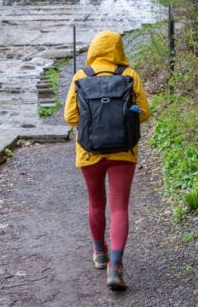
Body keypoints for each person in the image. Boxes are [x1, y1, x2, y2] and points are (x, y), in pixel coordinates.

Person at [63, 30, 150, 291]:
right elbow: (144, 113)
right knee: (119, 207)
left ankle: (99, 252)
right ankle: (115, 266)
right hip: (123, 151)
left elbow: (70, 117)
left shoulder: (81, 77)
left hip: (89, 152)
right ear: (118, 49)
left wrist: (94, 123)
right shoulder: (129, 75)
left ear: (93, 50)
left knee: (96, 203)